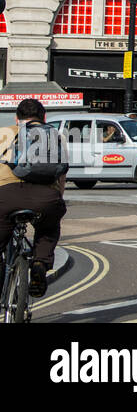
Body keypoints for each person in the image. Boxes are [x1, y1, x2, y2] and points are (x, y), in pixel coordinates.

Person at [0, 99, 68, 298]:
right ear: (44, 118)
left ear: (16, 118)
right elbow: (61, 176)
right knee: (48, 228)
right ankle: (40, 263)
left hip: (6, 196)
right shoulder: (56, 136)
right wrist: (56, 200)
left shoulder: (4, 133)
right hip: (45, 198)